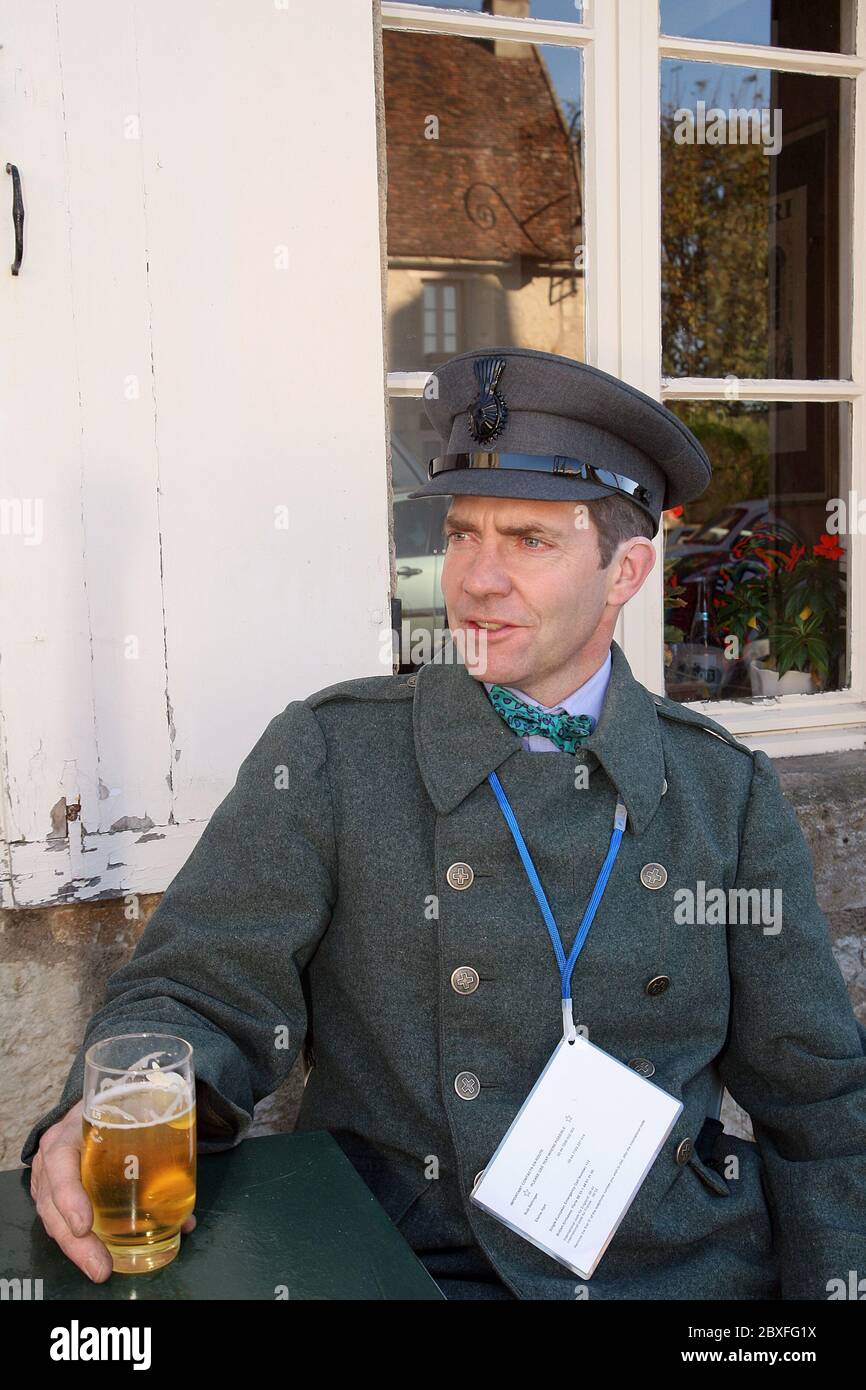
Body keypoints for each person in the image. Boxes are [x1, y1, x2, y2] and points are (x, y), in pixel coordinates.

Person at [22, 346, 866, 1300]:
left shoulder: (726, 792)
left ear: (626, 569)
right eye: (464, 534)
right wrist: (113, 1102)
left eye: (529, 541)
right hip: (400, 1265)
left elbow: (821, 1104)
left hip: (667, 1276)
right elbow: (198, 993)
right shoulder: (334, 754)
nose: (477, 580)